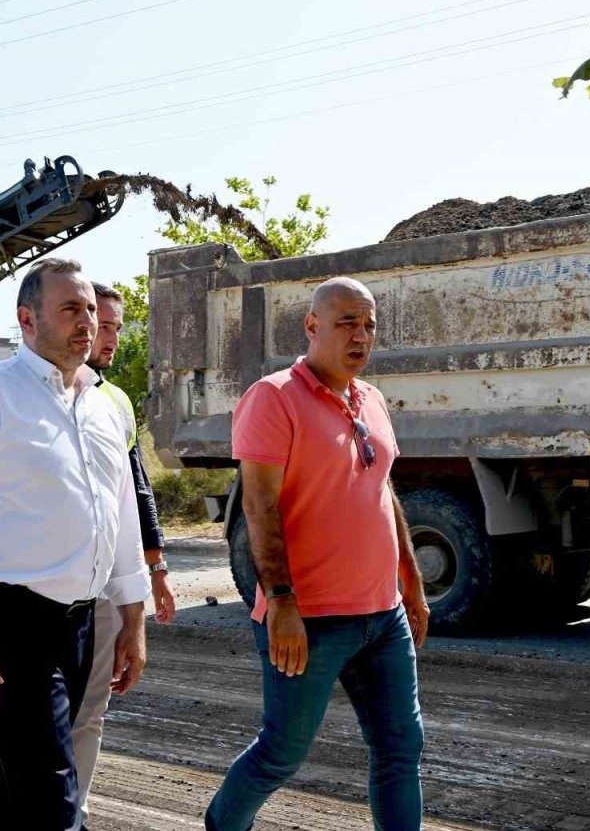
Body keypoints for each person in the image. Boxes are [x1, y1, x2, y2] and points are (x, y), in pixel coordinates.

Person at [0, 259, 150, 831]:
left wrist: (131, 621)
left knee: (17, 784)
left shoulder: (103, 406)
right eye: (70, 309)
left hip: (83, 623)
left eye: (91, 310)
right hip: (7, 622)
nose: (87, 322)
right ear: (26, 319)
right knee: (52, 803)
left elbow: (122, 522)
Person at [205, 276, 431, 831]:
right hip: (310, 618)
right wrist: (280, 602)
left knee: (402, 748)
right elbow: (260, 507)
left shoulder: (371, 399)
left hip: (383, 617)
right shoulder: (274, 396)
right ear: (312, 326)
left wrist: (412, 582)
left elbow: (383, 492)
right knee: (281, 754)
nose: (362, 335)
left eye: (370, 324)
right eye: (347, 322)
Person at [72, 281, 176, 824]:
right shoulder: (20, 396)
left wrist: (154, 571)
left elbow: (137, 494)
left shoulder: (115, 400)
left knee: (88, 715)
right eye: (101, 325)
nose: (108, 337)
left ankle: (75, 810)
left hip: (106, 587)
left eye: (114, 327)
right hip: (39, 596)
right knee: (38, 723)